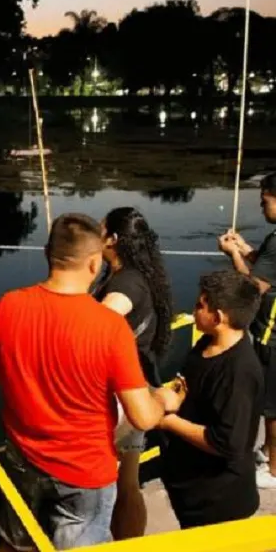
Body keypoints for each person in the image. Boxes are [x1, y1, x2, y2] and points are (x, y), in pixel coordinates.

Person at [0, 213, 183, 551]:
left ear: (47, 254)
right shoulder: (109, 328)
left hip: (23, 455)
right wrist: (165, 400)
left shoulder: (7, 306)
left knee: (15, 540)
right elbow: (142, 417)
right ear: (95, 262)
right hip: (84, 472)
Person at [93, 207, 173, 540]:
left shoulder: (125, 283)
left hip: (121, 395)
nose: (96, 235)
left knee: (112, 487)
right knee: (128, 483)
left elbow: (98, 323)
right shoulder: (135, 274)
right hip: (134, 387)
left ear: (112, 239)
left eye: (100, 230)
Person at [161, 270, 263, 528]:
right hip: (192, 489)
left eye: (199, 305)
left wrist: (167, 422)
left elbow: (227, 442)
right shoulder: (206, 344)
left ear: (218, 317)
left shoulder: (239, 371)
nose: (194, 311)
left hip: (218, 503)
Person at [218, 171, 276, 489]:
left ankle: (274, 470)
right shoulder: (274, 240)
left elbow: (255, 286)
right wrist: (245, 247)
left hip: (273, 334)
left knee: (272, 404)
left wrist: (233, 255)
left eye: (265, 199)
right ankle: (268, 451)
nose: (261, 206)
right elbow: (267, 263)